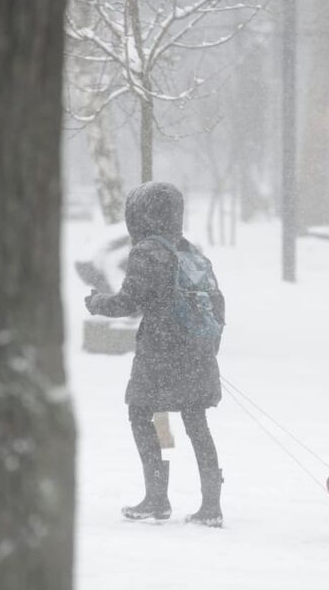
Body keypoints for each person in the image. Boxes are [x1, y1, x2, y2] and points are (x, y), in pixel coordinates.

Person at [85, 182, 226, 527]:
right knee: (196, 423)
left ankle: (157, 497)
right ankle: (211, 506)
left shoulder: (148, 252)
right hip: (197, 354)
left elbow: (128, 303)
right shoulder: (191, 252)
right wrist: (205, 347)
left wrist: (96, 302)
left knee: (143, 415)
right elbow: (218, 305)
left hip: (160, 355)